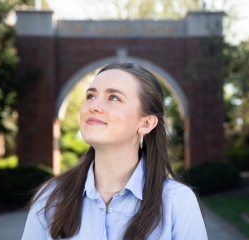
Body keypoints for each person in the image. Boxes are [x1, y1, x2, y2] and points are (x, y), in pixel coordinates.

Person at [21, 61, 207, 240]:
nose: (93, 106)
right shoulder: (50, 197)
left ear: (146, 123)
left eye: (114, 98)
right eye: (90, 96)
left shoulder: (177, 202)